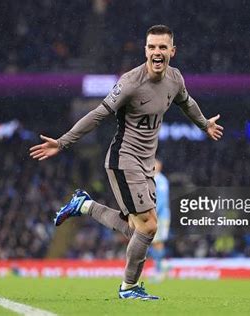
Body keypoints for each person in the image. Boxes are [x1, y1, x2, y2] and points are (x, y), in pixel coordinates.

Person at [29, 25, 223, 300]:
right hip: (124, 159)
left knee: (137, 229)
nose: (157, 52)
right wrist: (63, 142)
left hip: (146, 164)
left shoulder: (175, 79)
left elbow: (187, 102)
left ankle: (84, 205)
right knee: (149, 226)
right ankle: (129, 287)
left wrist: (204, 125)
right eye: (152, 47)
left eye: (162, 47)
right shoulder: (131, 82)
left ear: (172, 51)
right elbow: (98, 114)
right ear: (145, 50)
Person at [150, 158, 170, 282]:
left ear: (159, 166)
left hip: (160, 216)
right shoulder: (152, 179)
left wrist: (153, 214)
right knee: (155, 242)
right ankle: (160, 266)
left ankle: (160, 268)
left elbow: (161, 200)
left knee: (158, 242)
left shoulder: (161, 180)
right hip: (155, 215)